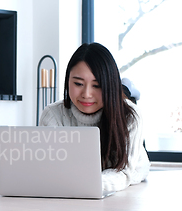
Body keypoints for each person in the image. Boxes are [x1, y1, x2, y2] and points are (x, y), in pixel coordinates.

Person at [39, 43, 150, 192]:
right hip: (78, 186)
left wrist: (80, 184)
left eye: (97, 86)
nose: (86, 94)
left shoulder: (131, 116)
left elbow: (123, 173)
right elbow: (47, 170)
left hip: (128, 178)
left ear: (109, 86)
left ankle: (126, 90)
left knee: (124, 99)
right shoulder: (52, 115)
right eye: (78, 83)